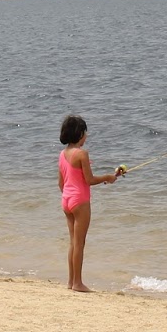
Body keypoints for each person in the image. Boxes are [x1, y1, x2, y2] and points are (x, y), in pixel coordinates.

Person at [58, 114, 123, 292]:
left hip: (66, 200)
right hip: (80, 201)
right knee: (80, 243)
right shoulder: (81, 154)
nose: (86, 136)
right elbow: (89, 180)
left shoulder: (63, 154)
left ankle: (71, 281)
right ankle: (78, 283)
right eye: (85, 133)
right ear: (79, 134)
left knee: (73, 242)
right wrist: (108, 178)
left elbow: (61, 183)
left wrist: (69, 195)